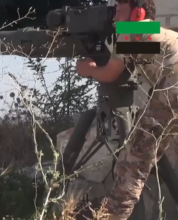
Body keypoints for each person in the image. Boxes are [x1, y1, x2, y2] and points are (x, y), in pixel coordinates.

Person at [76, 0, 178, 219]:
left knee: (133, 165)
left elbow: (111, 73)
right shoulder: (163, 34)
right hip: (170, 94)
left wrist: (88, 69)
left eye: (119, 12)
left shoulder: (131, 31)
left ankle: (113, 214)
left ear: (138, 13)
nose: (114, 19)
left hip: (172, 93)